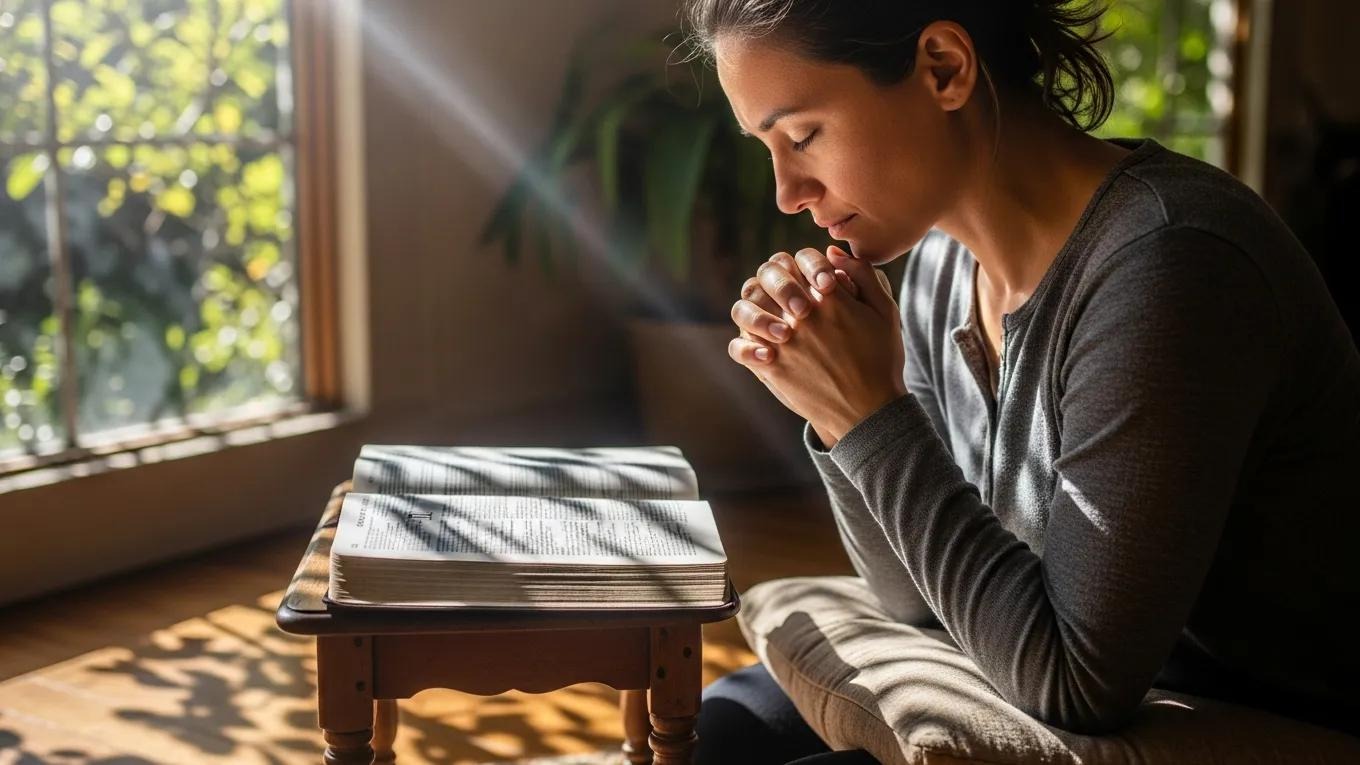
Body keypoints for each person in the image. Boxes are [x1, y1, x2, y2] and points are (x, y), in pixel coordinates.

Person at [678, 1, 1360, 763]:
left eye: (803, 134)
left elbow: (1076, 683)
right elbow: (911, 600)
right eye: (768, 146)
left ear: (945, 68)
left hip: (1246, 714)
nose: (786, 192)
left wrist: (872, 414)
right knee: (722, 728)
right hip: (1046, 674)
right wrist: (837, 411)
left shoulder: (1173, 264)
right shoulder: (941, 265)